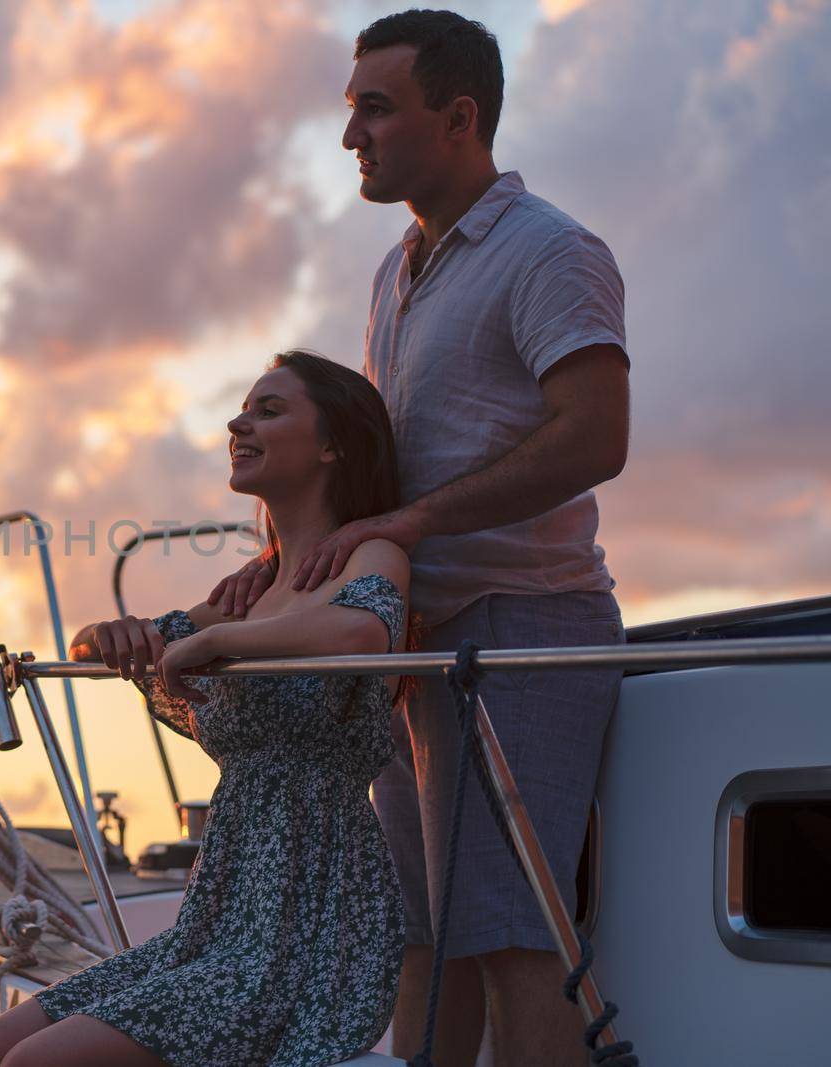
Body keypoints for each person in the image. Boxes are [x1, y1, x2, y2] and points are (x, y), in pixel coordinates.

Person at [208, 11, 631, 1066]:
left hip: (521, 633)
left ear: (457, 117)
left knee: (511, 938)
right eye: (351, 110)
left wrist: (410, 524)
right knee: (421, 938)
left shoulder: (551, 251)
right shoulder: (394, 272)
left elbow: (597, 436)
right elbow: (386, 468)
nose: (352, 134)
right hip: (414, 645)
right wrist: (276, 571)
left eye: (375, 109)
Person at [0, 350, 412, 1067]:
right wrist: (110, 635)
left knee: (28, 1066)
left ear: (333, 445)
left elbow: (367, 630)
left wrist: (222, 639)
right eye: (243, 407)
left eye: (269, 409)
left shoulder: (369, 556)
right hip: (221, 919)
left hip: (310, 928)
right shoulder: (249, 590)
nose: (239, 421)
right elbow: (104, 648)